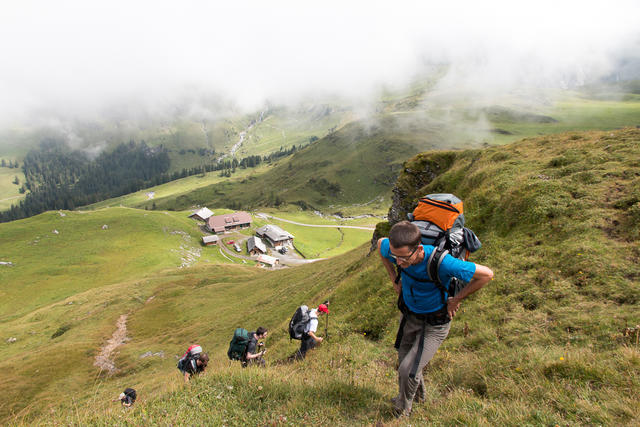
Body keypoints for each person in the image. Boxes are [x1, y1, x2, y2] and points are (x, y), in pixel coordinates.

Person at [378, 221, 494, 418]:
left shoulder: (443, 262)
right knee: (405, 360)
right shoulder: (394, 250)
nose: (398, 262)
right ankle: (419, 398)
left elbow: (487, 275)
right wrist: (394, 280)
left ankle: (402, 412)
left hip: (435, 322)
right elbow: (381, 244)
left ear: (419, 249)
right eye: (395, 256)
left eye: (404, 258)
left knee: (408, 369)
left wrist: (456, 299)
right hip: (410, 315)